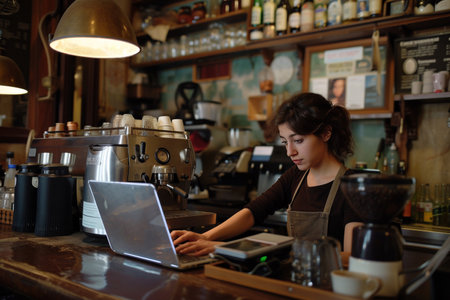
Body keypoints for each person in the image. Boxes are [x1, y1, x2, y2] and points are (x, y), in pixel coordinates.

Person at [171, 92, 363, 258]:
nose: (290, 152)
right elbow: (253, 212)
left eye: (298, 140)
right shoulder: (295, 177)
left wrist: (223, 247)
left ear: (326, 134)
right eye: (285, 142)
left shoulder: (354, 187)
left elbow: (352, 258)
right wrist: (207, 236)